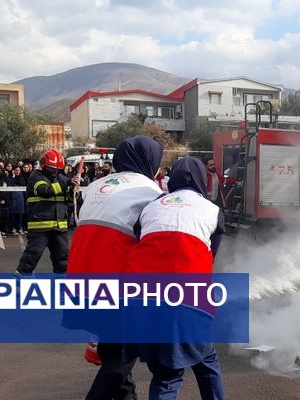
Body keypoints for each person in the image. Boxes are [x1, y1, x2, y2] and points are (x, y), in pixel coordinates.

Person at [67, 136, 164, 400]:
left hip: (81, 275)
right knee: (122, 358)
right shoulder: (151, 193)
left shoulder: (97, 186)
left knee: (114, 350)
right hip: (116, 279)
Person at [127, 156, 225, 400]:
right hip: (187, 297)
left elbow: (140, 240)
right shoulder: (212, 211)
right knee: (183, 368)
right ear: (202, 180)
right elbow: (210, 254)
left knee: (171, 366)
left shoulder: (151, 207)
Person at [15, 150, 79, 275]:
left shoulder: (62, 178)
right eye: (52, 168)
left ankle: (62, 286)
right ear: (44, 165)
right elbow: (44, 190)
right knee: (31, 257)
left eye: (57, 169)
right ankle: (20, 284)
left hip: (59, 227)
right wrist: (67, 183)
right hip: (40, 226)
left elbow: (69, 200)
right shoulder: (36, 176)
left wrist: (73, 190)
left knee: (63, 259)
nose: (55, 171)